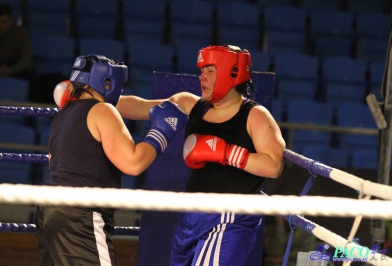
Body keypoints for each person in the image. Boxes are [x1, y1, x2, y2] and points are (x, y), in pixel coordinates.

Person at [116, 44, 286, 265]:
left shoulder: (255, 115)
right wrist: (94, 101)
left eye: (210, 71)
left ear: (232, 73)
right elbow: (141, 107)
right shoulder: (192, 104)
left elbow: (273, 165)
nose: (202, 77)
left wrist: (226, 152)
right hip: (192, 215)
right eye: (201, 71)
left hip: (230, 217)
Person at [35, 54, 188, 266]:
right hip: (81, 214)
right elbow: (133, 164)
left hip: (49, 212)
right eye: (119, 83)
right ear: (107, 82)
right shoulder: (103, 110)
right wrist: (162, 132)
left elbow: (136, 105)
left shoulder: (64, 113)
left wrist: (176, 104)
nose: (121, 89)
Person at [0, 4, 32, 79]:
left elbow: (26, 60)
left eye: (3, 22)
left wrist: (11, 70)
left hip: (15, 69)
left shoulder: (21, 33)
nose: (0, 25)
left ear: (11, 21)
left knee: (30, 74)